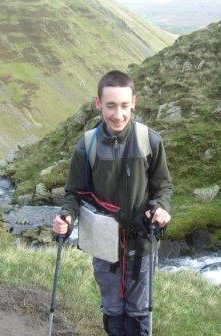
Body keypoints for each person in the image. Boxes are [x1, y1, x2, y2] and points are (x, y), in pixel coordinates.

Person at [53, 70, 172, 336]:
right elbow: (74, 192)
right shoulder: (86, 145)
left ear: (134, 102)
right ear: (98, 104)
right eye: (110, 106)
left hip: (142, 242)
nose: (117, 114)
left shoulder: (149, 141)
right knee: (113, 308)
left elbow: (162, 186)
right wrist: (66, 217)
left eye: (124, 106)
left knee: (139, 310)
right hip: (103, 243)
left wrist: (162, 208)